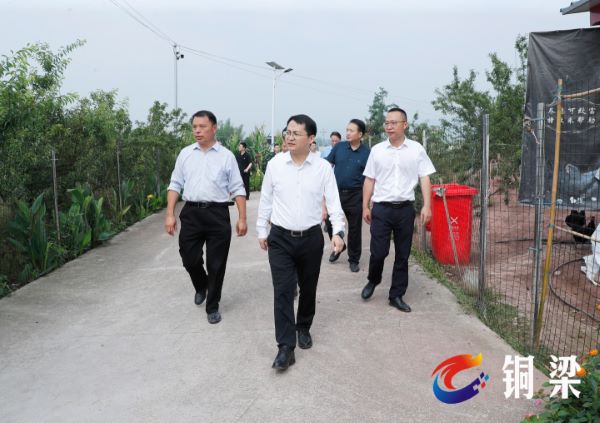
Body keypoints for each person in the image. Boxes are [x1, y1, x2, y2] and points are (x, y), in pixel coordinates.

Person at [257, 114, 345, 371]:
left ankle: (303, 326)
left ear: (311, 138)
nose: (290, 137)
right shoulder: (275, 165)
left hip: (310, 238)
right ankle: (285, 347)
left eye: (296, 133)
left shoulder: (323, 168)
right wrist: (262, 230)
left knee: (308, 288)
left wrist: (338, 232)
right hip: (280, 238)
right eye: (288, 132)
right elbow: (266, 199)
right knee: (283, 290)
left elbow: (334, 204)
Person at [165, 110, 248, 324]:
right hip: (191, 213)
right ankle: (201, 285)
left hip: (217, 214)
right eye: (194, 127)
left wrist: (242, 218)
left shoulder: (226, 156)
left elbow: (238, 188)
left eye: (202, 126)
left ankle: (212, 306)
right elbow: (175, 184)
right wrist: (170, 214)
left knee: (216, 264)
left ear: (214, 127)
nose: (197, 131)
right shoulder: (185, 154)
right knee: (189, 257)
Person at [361, 107, 435, 313]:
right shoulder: (377, 150)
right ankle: (373, 279)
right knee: (378, 252)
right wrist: (365, 205)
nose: (389, 126)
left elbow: (424, 177)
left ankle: (396, 295)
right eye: (387, 123)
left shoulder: (416, 149)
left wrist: (427, 205)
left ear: (405, 125)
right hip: (381, 209)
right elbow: (369, 179)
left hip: (404, 210)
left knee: (403, 254)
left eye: (394, 122)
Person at [325, 119, 370, 273]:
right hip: (336, 193)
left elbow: (370, 178)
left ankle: (354, 259)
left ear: (360, 134)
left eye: (351, 130)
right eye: (347, 130)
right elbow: (327, 166)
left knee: (355, 228)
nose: (348, 133)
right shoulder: (339, 147)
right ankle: (339, 245)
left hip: (355, 195)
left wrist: (367, 202)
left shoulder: (367, 153)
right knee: (329, 222)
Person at [322, 131, 344, 239]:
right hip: (328, 183)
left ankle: (338, 231)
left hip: (340, 183)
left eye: (336, 141)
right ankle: (329, 225)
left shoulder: (343, 151)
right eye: (333, 141)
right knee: (327, 207)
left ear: (340, 140)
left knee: (336, 208)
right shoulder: (325, 151)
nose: (334, 143)